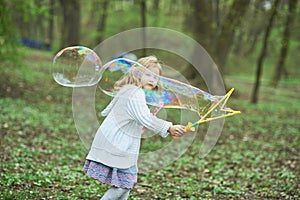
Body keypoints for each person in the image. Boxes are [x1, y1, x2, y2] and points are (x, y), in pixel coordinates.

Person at [83, 56, 187, 199]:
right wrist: (169, 127)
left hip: (121, 143)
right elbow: (145, 118)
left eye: (156, 77)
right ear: (137, 74)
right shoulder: (134, 93)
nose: (152, 80)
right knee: (123, 185)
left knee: (126, 185)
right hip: (117, 143)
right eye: (148, 74)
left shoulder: (131, 90)